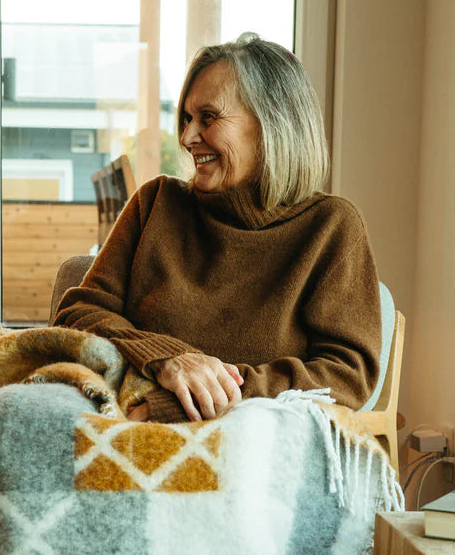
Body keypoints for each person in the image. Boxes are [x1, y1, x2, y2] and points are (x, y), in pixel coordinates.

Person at [54, 34, 380, 423]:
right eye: (187, 118)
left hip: (247, 439)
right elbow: (77, 313)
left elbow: (347, 374)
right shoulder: (155, 204)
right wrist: (167, 359)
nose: (187, 137)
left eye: (208, 118)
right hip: (121, 414)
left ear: (272, 123)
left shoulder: (330, 228)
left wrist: (199, 398)